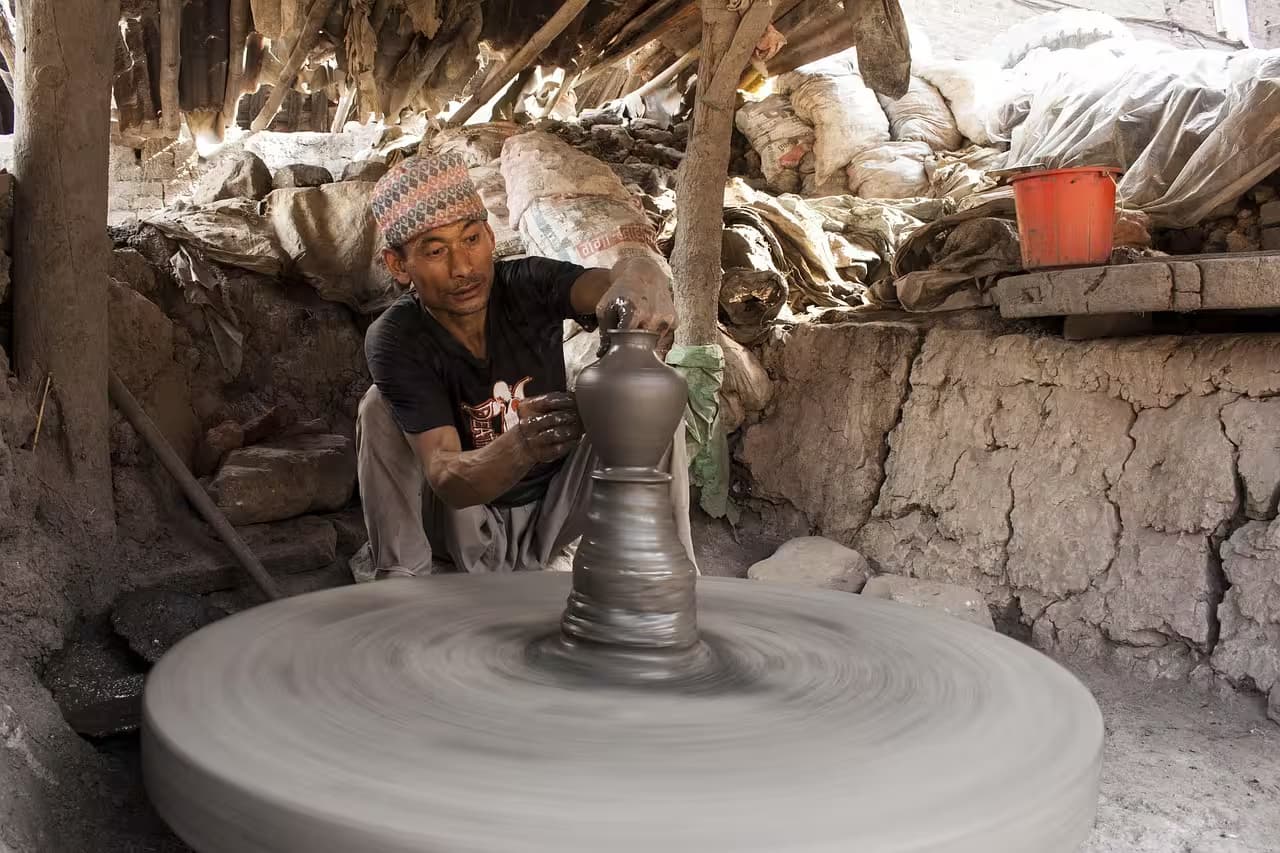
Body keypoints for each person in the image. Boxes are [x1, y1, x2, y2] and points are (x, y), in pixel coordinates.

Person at [353, 151, 695, 579]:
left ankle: (669, 575)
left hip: (553, 513)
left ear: (489, 238)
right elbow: (446, 477)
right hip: (463, 526)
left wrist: (640, 273)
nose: (463, 268)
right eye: (437, 251)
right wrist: (523, 446)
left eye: (471, 239)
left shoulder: (527, 285)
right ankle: (401, 582)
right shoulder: (397, 336)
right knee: (377, 408)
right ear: (398, 265)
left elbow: (606, 283)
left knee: (652, 398)